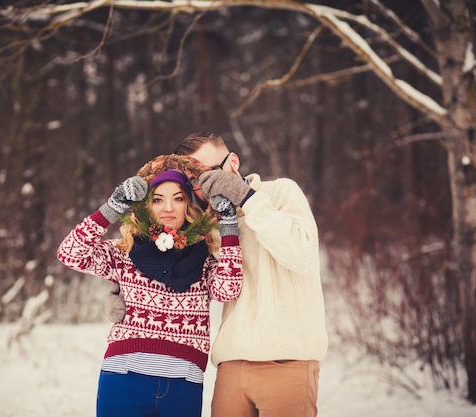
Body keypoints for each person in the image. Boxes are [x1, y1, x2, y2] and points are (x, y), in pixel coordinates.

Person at [57, 154, 243, 417]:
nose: (168, 208)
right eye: (158, 199)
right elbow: (69, 253)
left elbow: (229, 288)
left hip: (183, 384)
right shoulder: (124, 253)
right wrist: (112, 207)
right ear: (146, 206)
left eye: (178, 198)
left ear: (188, 205)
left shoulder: (203, 262)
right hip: (124, 378)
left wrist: (228, 223)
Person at [173, 132, 328, 417]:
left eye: (210, 174)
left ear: (233, 161)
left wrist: (246, 198)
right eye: (195, 181)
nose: (206, 186)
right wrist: (122, 287)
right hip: (232, 364)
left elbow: (301, 254)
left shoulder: (280, 192)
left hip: (287, 361)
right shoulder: (207, 225)